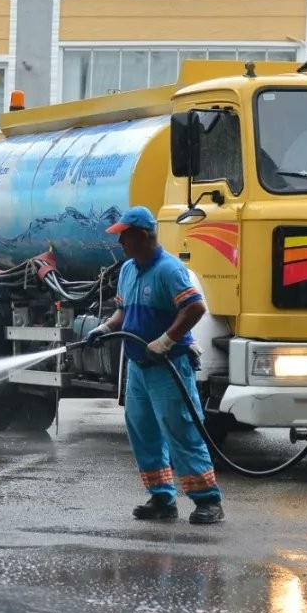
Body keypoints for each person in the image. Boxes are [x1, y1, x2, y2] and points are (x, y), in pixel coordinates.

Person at [85, 206, 224, 525]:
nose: (120, 243)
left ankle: (208, 501)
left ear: (143, 236)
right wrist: (105, 328)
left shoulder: (169, 269)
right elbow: (123, 313)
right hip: (138, 366)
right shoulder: (129, 270)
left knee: (181, 430)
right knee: (143, 432)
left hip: (168, 365)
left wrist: (166, 340)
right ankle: (162, 498)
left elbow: (195, 309)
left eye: (125, 236)